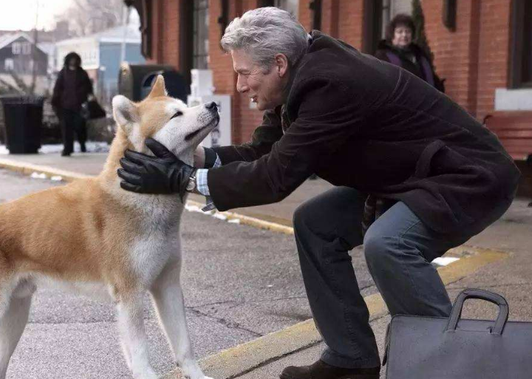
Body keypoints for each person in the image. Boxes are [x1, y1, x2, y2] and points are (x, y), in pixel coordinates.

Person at [117, 7, 519, 379]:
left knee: (388, 244)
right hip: (413, 178)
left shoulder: (331, 85)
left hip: (467, 177)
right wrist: (192, 156)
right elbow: (262, 152)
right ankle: (351, 358)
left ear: (278, 64)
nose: (239, 86)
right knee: (315, 223)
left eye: (244, 73)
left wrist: (180, 180)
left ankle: (448, 364)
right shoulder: (298, 77)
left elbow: (275, 177)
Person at [375, 14, 445, 92]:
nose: (404, 35)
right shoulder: (383, 56)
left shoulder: (420, 56)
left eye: (408, 31)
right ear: (392, 35)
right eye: (400, 32)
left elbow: (432, 80)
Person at [51, 52, 95, 157]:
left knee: (80, 126)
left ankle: (82, 143)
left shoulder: (82, 73)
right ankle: (67, 149)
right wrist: (55, 101)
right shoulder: (63, 73)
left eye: (75, 59)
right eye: (71, 59)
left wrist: (88, 96)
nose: (73, 61)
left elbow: (88, 87)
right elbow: (58, 88)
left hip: (79, 105)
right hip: (65, 105)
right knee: (66, 128)